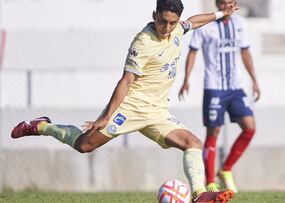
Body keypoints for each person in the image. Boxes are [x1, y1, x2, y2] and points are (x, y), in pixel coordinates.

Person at [11, 0, 239, 202]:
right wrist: (105, 117)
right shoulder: (143, 42)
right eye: (162, 21)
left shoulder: (177, 29)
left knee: (193, 143)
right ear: (154, 15)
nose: (166, 28)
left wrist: (221, 14)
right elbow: (126, 81)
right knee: (84, 145)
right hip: (130, 108)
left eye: (172, 23)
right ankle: (43, 126)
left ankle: (199, 194)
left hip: (157, 111)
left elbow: (194, 22)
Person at [178, 0, 260, 193]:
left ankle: (226, 169)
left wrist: (254, 80)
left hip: (236, 87)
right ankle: (210, 180)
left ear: (236, 4)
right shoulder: (206, 26)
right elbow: (193, 52)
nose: (227, 7)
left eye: (230, 3)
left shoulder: (239, 24)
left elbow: (245, 52)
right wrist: (186, 79)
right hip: (214, 87)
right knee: (213, 133)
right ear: (218, 5)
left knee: (250, 127)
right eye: (223, 4)